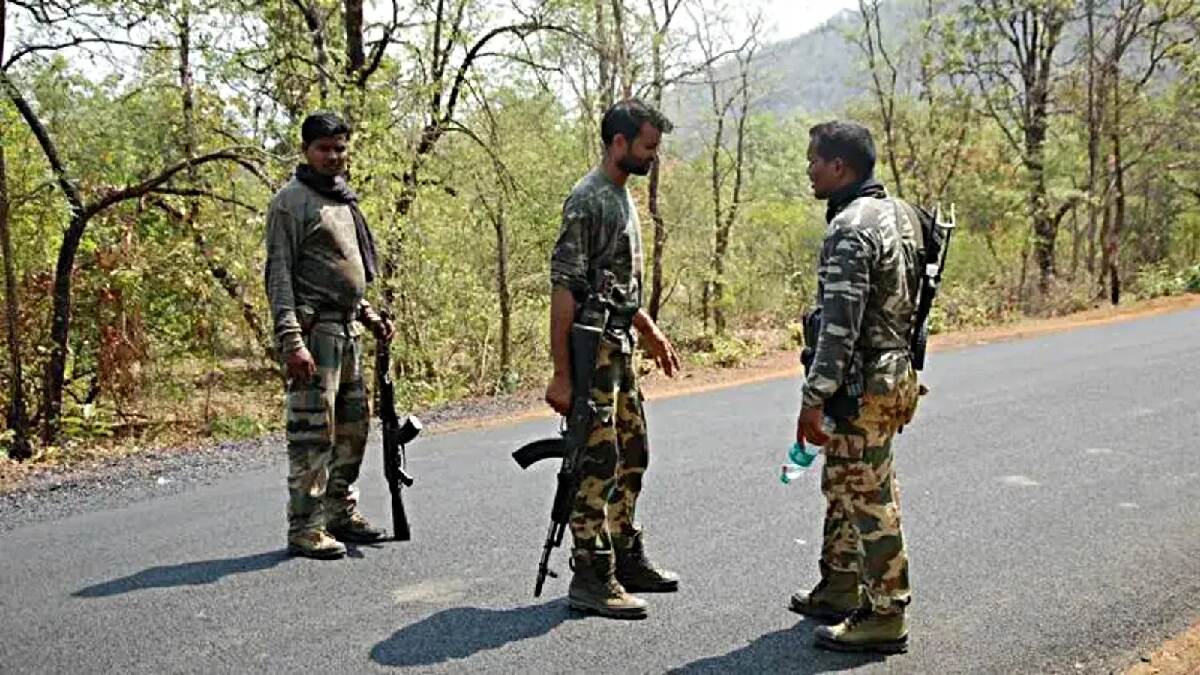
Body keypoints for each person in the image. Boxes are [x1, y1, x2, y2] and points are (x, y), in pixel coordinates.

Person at [544, 99, 682, 619]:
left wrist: (647, 328)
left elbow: (617, 284)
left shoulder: (621, 196)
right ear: (620, 143)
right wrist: (562, 374)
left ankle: (625, 554)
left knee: (633, 454)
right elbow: (565, 288)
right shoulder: (588, 200)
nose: (654, 157)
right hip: (594, 352)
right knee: (596, 464)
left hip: (621, 347)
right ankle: (591, 575)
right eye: (649, 146)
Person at [790, 121, 922, 653]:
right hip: (891, 374)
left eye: (813, 161)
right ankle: (841, 585)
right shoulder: (901, 215)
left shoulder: (850, 227)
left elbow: (839, 328)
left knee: (867, 494)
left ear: (839, 167)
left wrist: (812, 398)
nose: (809, 170)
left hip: (862, 382)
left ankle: (886, 613)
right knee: (845, 480)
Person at [264, 112, 395, 560]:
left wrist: (368, 314)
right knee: (312, 433)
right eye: (324, 148)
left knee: (353, 428)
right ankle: (305, 526)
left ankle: (339, 512)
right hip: (313, 333)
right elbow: (279, 274)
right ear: (306, 151)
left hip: (347, 329)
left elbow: (340, 273)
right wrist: (291, 341)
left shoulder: (342, 201)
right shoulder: (291, 202)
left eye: (340, 148)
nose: (333, 156)